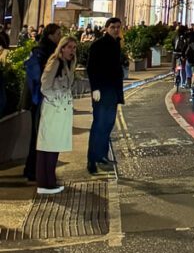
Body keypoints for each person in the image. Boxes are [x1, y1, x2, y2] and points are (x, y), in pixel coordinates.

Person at [36, 36, 78, 195]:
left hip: (60, 110)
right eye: (69, 47)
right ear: (62, 48)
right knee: (48, 146)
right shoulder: (56, 62)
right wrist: (57, 100)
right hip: (54, 109)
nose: (72, 51)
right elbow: (45, 86)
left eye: (74, 48)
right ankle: (46, 183)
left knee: (53, 146)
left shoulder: (67, 64)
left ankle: (48, 182)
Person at [23, 23, 61, 181]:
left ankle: (32, 169)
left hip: (38, 99)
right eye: (58, 34)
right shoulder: (46, 52)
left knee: (38, 136)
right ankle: (35, 171)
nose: (59, 37)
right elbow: (43, 79)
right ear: (50, 35)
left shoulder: (44, 50)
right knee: (41, 136)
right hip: (41, 100)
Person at [86, 17, 123, 175]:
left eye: (118, 27)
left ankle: (102, 155)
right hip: (102, 91)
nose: (116, 29)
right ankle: (92, 159)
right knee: (99, 125)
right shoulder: (98, 45)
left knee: (108, 125)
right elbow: (91, 68)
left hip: (113, 91)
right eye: (113, 27)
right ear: (106, 28)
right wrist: (95, 88)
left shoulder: (116, 44)